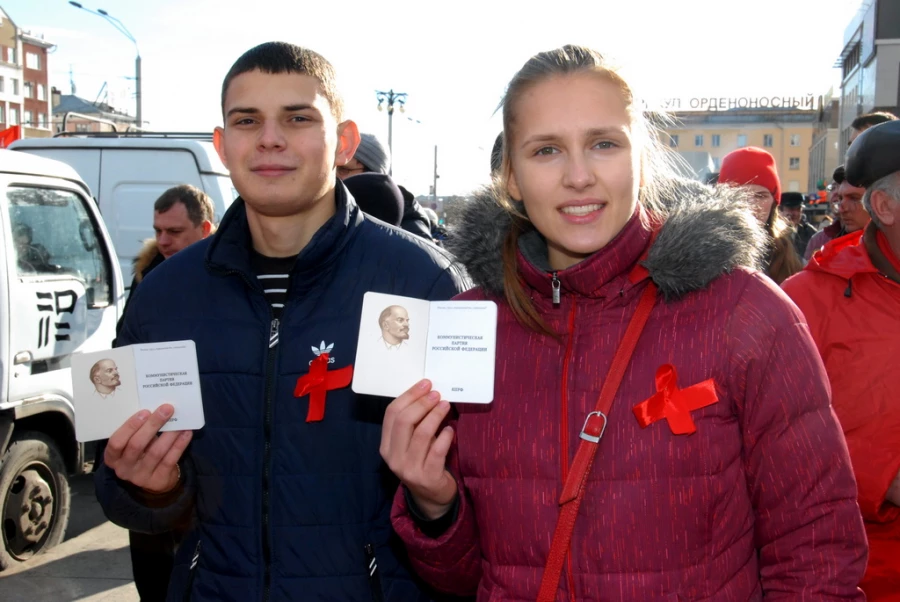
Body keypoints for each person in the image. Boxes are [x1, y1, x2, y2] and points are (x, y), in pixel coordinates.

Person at [380, 44, 867, 601]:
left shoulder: (744, 313)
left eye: (604, 144)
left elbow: (817, 554)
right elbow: (479, 580)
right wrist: (434, 508)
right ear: (511, 176)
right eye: (546, 151)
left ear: (642, 158)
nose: (579, 176)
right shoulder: (469, 332)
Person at [94, 41, 468, 602]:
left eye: (298, 118)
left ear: (342, 141)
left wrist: (433, 498)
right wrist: (152, 489)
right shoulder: (163, 297)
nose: (270, 139)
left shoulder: (425, 283)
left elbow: (480, 492)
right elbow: (121, 484)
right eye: (247, 121)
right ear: (222, 145)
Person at [783, 119, 900, 600]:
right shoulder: (805, 302)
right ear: (886, 206)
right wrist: (886, 476)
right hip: (858, 576)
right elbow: (773, 439)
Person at [117, 185, 216, 341]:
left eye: (174, 232)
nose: (163, 241)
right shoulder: (147, 274)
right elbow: (124, 341)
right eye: (158, 231)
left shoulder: (233, 275)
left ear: (204, 229)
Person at [718, 147, 803, 284]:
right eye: (741, 195)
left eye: (761, 196)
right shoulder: (700, 253)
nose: (752, 205)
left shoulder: (788, 258)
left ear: (774, 203)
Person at [805, 165, 851, 260]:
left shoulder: (877, 239)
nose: (837, 193)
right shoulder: (818, 240)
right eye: (833, 188)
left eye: (842, 187)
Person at [779, 191, 817, 258]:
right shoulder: (774, 232)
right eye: (791, 209)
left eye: (798, 209)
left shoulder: (810, 233)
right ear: (780, 210)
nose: (795, 213)